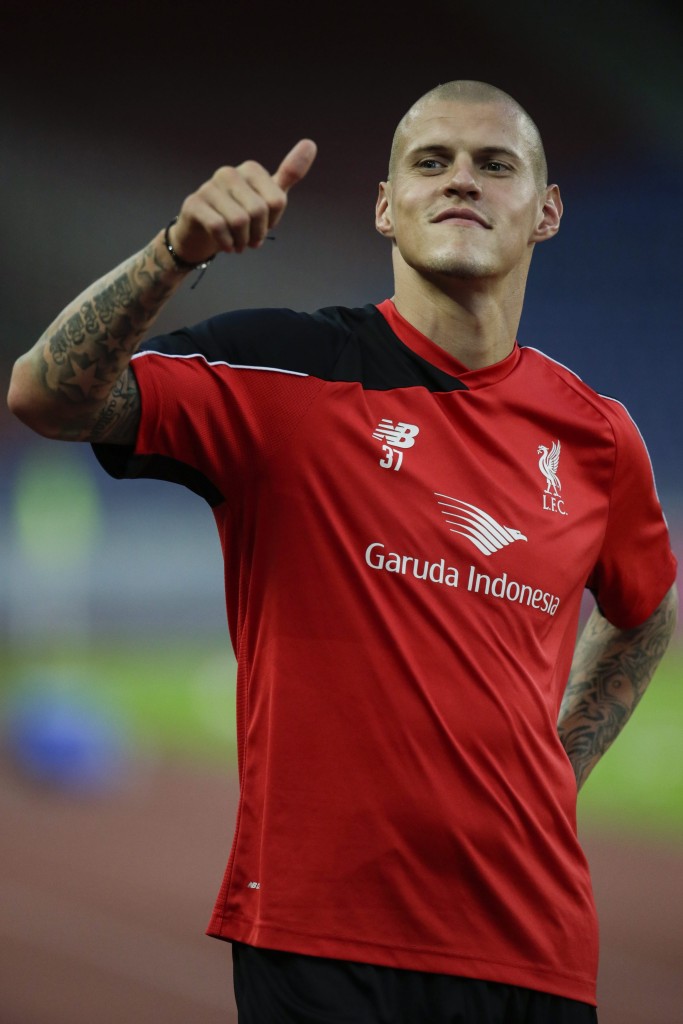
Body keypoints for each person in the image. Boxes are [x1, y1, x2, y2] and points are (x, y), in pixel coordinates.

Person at [8, 80, 678, 1024]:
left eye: (495, 164)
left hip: (531, 947)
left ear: (546, 212)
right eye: (430, 162)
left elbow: (647, 609)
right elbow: (46, 396)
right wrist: (175, 253)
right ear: (383, 205)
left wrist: (559, 768)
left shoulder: (598, 439)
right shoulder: (278, 371)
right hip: (317, 940)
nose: (461, 183)